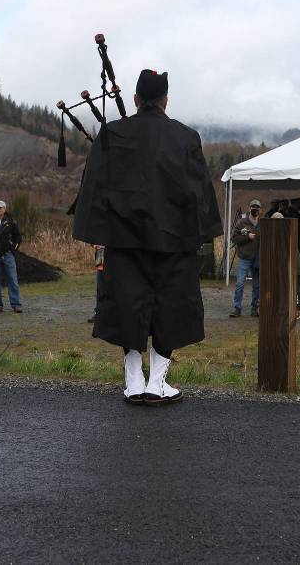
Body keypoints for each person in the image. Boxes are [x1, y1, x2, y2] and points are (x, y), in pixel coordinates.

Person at [73, 68, 222, 405]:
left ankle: (133, 380)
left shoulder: (111, 135)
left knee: (128, 305)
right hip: (172, 241)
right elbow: (198, 193)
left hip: (124, 241)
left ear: (137, 99)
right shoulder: (186, 138)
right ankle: (156, 383)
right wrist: (199, 233)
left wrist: (100, 232)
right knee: (170, 306)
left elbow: (95, 188)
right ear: (166, 100)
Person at [230, 199, 262, 318]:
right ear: (249, 208)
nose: (255, 209)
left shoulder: (262, 224)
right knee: (239, 283)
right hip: (244, 258)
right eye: (253, 207)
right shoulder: (241, 223)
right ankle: (237, 308)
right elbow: (234, 239)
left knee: (257, 285)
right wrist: (247, 237)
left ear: (260, 210)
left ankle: (255, 309)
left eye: (257, 207)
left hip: (258, 258)